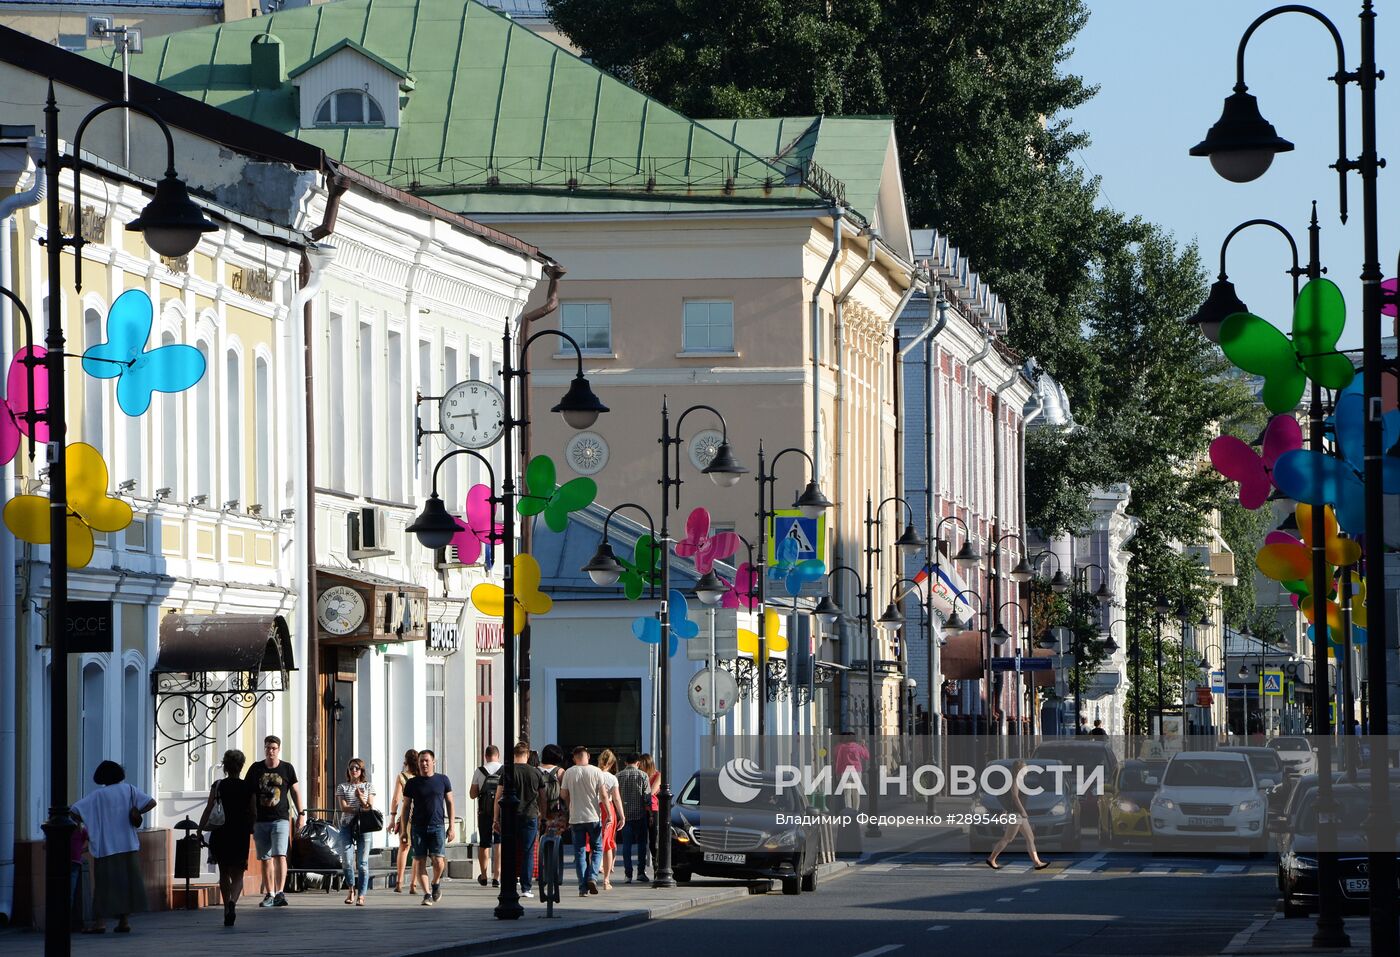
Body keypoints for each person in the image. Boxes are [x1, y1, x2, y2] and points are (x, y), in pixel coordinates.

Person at [70, 760, 155, 933]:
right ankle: (123, 921)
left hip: (106, 847)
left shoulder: (98, 796)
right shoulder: (130, 790)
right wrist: (137, 812)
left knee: (104, 885)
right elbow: (151, 802)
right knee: (126, 884)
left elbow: (75, 811)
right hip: (128, 844)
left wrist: (87, 825)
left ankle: (100, 922)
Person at [244, 735, 304, 907]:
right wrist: (249, 816)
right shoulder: (256, 769)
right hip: (260, 820)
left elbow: (295, 792)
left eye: (274, 748)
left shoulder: (286, 768)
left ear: (279, 749)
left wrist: (301, 814)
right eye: (268, 748)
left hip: (280, 819)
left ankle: (280, 892)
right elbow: (249, 794)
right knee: (265, 858)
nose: (270, 751)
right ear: (264, 749)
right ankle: (269, 893)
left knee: (280, 855)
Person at [199, 750, 255, 927]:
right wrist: (252, 828)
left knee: (224, 872)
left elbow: (209, 809)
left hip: (221, 831)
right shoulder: (248, 786)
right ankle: (233, 902)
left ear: (225, 766)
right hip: (240, 832)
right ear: (241, 766)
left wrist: (200, 829)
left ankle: (225, 908)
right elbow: (254, 811)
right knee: (238, 874)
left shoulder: (218, 785)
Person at [493, 742, 545, 899]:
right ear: (527, 755)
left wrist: (496, 818)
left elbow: (498, 796)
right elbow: (543, 796)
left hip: (510, 817)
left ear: (513, 754)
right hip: (530, 816)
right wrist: (543, 814)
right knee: (528, 851)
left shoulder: (507, 772)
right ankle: (526, 887)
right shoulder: (535, 773)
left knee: (509, 850)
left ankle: (508, 882)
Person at [402, 749, 454, 906]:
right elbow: (405, 807)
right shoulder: (412, 783)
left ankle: (436, 883)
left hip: (437, 826)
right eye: (421, 761)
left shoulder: (443, 780)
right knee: (420, 860)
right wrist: (404, 830)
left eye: (426, 760)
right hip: (418, 827)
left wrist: (451, 826)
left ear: (433, 762)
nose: (424, 763)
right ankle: (426, 894)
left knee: (439, 861)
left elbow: (450, 803)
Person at [986, 760, 1049, 871]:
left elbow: (1009, 797)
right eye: (1025, 768)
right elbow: (1015, 797)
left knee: (1030, 838)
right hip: (1016, 814)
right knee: (1008, 838)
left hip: (1018, 814)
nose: (1027, 770)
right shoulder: (1015, 780)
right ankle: (991, 858)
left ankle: (1037, 862)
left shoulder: (1019, 780)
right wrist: (1023, 811)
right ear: (1019, 769)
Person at [561, 746, 606, 896]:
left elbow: (563, 794)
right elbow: (604, 796)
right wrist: (611, 815)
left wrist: (570, 804)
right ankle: (592, 877)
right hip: (593, 817)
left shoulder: (569, 772)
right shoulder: (596, 771)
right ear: (587, 756)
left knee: (579, 852)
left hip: (576, 817)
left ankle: (582, 887)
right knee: (598, 848)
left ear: (575, 758)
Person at [336, 757, 375, 906]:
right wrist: (360, 808)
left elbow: (369, 806)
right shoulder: (342, 787)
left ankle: (362, 895)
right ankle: (351, 889)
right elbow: (343, 808)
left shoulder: (368, 786)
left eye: (357, 768)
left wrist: (361, 799)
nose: (354, 770)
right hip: (346, 825)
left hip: (364, 827)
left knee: (362, 863)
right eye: (351, 768)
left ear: (362, 771)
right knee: (346, 859)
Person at [387, 748, 425, 895]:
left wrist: (392, 818)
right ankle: (413, 884)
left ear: (406, 762)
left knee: (403, 848)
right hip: (420, 815)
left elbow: (396, 799)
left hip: (405, 815)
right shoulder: (422, 777)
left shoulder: (402, 777)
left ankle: (399, 881)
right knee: (418, 850)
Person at [469, 745, 502, 888]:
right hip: (501, 811)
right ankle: (497, 876)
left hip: (484, 811)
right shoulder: (504, 770)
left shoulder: (479, 771)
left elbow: (472, 794)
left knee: (484, 842)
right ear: (498, 755)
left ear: (485, 756)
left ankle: (483, 875)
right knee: (499, 842)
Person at [615, 754, 650, 883]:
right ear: (638, 763)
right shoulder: (643, 776)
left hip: (624, 816)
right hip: (640, 815)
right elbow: (647, 798)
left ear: (626, 763)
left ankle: (627, 874)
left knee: (626, 846)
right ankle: (641, 872)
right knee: (641, 845)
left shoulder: (618, 776)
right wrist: (650, 814)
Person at [595, 750, 625, 890]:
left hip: (594, 809)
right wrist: (622, 816)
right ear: (612, 763)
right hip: (608, 810)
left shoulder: (594, 774)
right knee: (607, 844)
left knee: (594, 844)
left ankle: (593, 875)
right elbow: (617, 798)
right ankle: (606, 880)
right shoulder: (612, 778)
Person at [833, 733, 869, 811]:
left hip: (845, 772)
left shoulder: (842, 748)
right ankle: (855, 811)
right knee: (856, 793)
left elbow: (839, 762)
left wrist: (837, 773)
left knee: (847, 794)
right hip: (856, 771)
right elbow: (866, 756)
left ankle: (848, 812)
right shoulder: (857, 747)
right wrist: (863, 746)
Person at [638, 753, 660, 869]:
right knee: (641, 839)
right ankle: (641, 868)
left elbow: (651, 792)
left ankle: (656, 864)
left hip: (653, 810)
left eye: (641, 764)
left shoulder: (657, 775)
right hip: (642, 809)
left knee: (653, 839)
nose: (639, 766)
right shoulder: (640, 776)